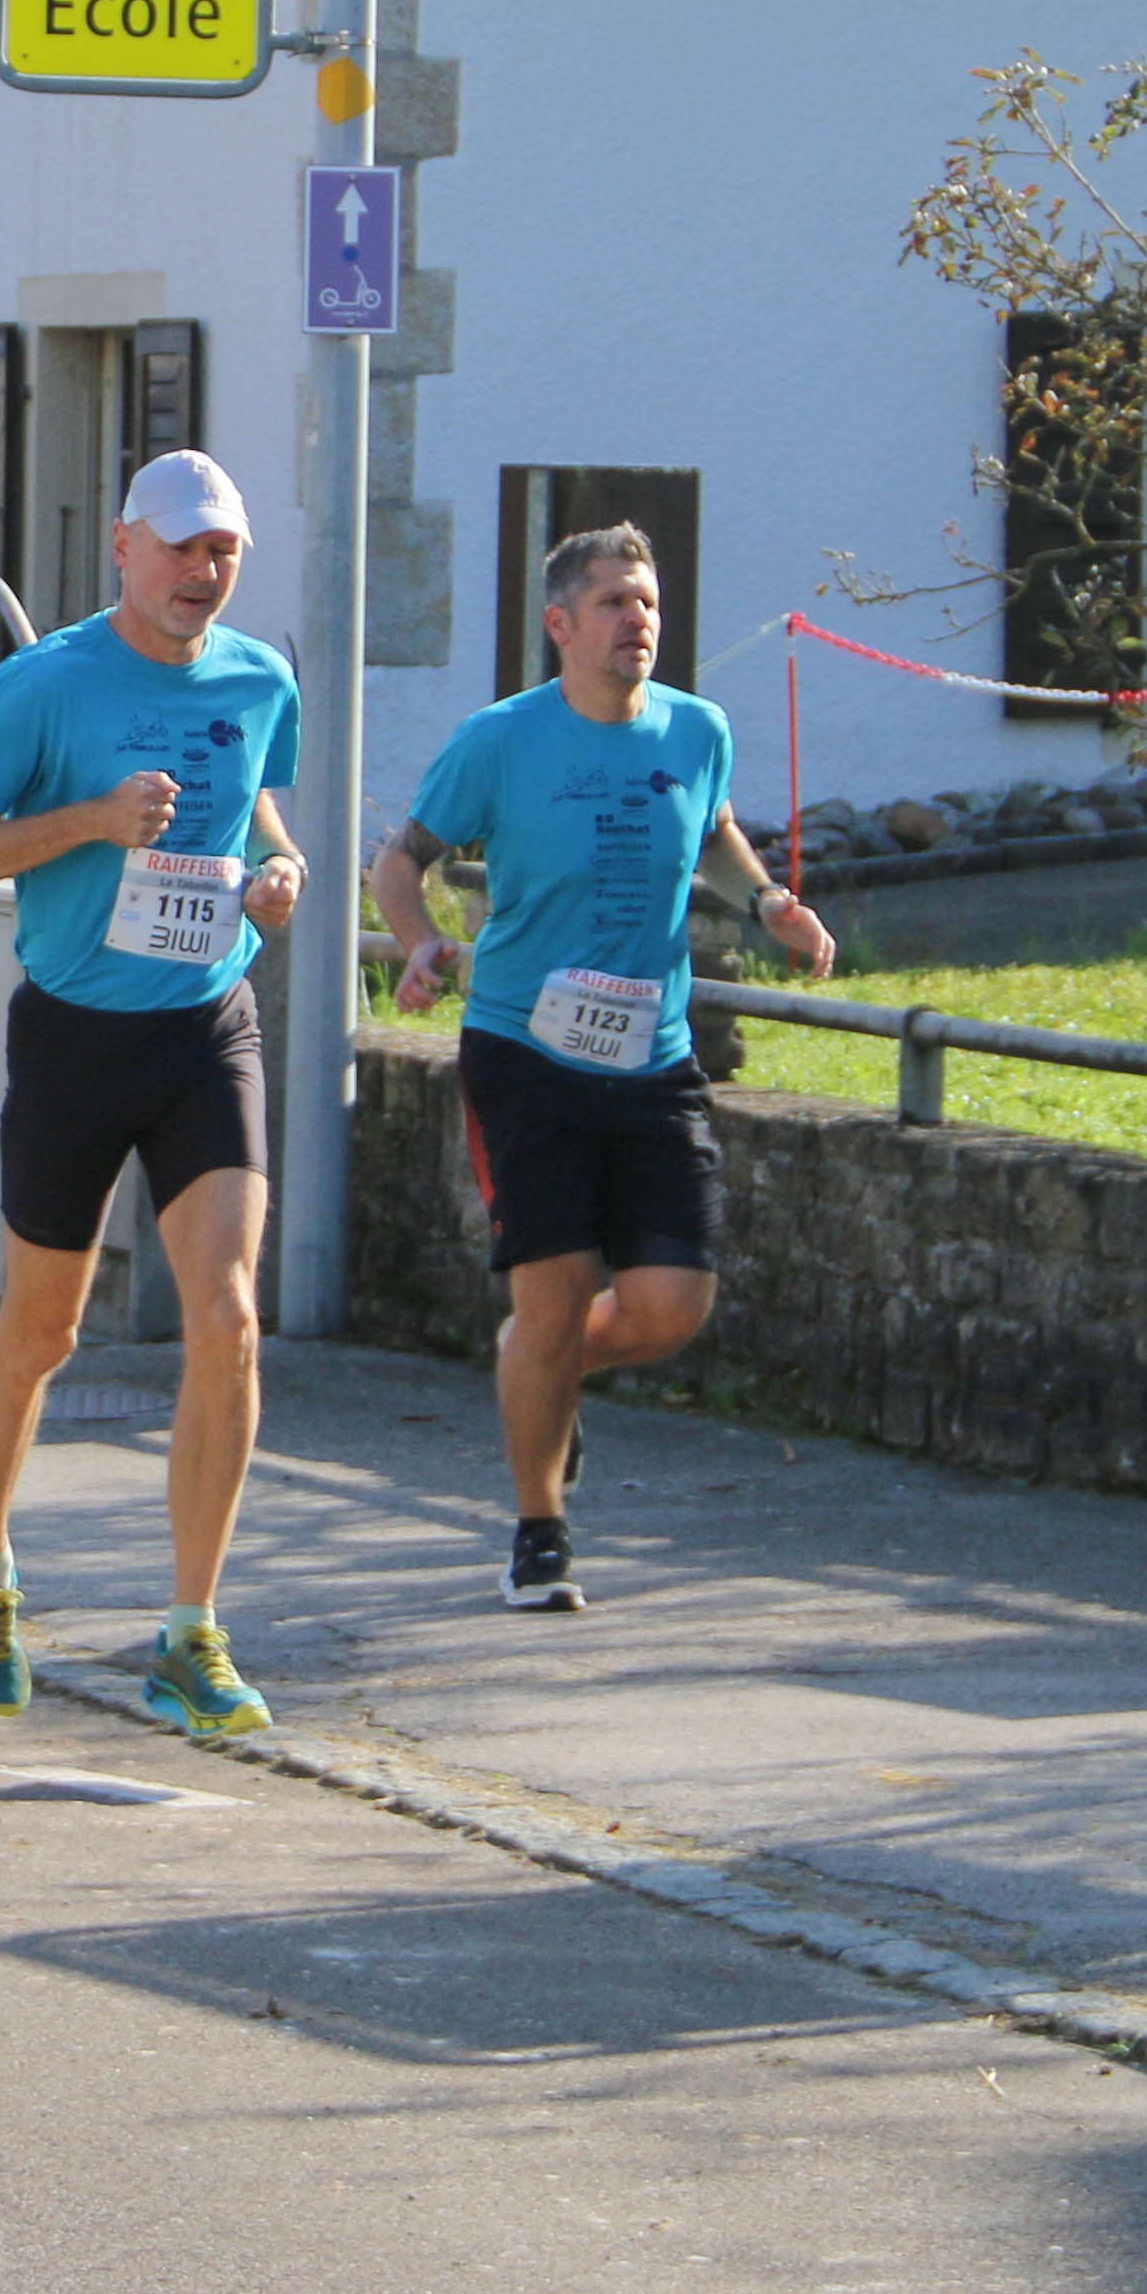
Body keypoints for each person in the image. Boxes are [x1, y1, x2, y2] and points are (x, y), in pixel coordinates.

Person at [0, 448, 306, 1742]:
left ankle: (190, 1632)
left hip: (206, 1030)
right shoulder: (46, 685)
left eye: (223, 551)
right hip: (76, 1039)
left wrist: (280, 873)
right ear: (125, 548)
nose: (203, 572)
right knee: (44, 1331)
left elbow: (260, 813)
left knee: (228, 1319)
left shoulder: (260, 680)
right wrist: (89, 820)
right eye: (181, 547)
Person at [375, 521, 836, 1612]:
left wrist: (768, 901)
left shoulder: (697, 729)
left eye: (650, 603)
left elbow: (712, 831)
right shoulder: (501, 741)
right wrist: (421, 942)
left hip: (651, 1055)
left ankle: (539, 1363)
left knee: (672, 1304)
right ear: (561, 624)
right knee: (558, 1289)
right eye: (616, 603)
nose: (639, 621)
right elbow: (401, 859)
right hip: (525, 1049)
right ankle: (540, 1532)